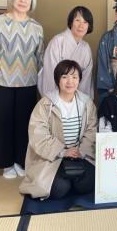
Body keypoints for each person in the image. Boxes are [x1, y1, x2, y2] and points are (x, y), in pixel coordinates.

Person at [0, 0, 44, 179]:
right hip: (1, 80)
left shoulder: (37, 27)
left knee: (24, 123)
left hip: (28, 81)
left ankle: (20, 161)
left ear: (32, 0)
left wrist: (40, 75)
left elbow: (40, 56)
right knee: (2, 123)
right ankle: (6, 163)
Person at [20, 60, 97, 199]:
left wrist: (81, 151)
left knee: (88, 184)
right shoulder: (45, 104)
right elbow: (38, 135)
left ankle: (72, 180)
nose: (70, 81)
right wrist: (62, 151)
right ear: (57, 79)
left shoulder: (87, 103)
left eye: (74, 77)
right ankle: (65, 181)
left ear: (79, 80)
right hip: (52, 157)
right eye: (65, 77)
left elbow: (91, 131)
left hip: (79, 155)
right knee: (59, 188)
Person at [39, 6, 94, 99]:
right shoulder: (57, 42)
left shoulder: (86, 48)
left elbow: (86, 80)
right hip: (56, 97)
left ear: (89, 26)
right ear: (71, 22)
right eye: (77, 20)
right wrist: (57, 100)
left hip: (76, 100)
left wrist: (80, 101)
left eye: (85, 22)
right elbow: (50, 74)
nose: (81, 25)